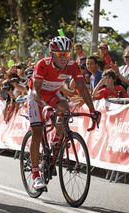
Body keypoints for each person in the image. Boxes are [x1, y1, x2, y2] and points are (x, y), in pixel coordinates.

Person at [27, 36, 100, 190]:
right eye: (60, 54)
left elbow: (82, 87)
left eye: (66, 54)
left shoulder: (72, 65)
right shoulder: (43, 64)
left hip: (53, 94)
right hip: (37, 96)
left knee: (65, 109)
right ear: (52, 53)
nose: (63, 58)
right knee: (37, 132)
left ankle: (55, 142)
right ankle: (35, 175)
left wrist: (92, 110)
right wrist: (45, 106)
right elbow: (36, 91)